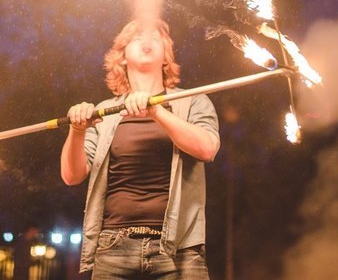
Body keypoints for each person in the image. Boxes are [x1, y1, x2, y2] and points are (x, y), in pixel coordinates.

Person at [61, 19, 220, 279]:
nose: (146, 41)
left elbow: (206, 149)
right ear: (121, 57)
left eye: (155, 38)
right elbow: (71, 175)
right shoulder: (105, 112)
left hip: (179, 250)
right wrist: (77, 130)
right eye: (137, 37)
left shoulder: (193, 101)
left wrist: (156, 111)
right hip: (113, 247)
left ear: (166, 57)